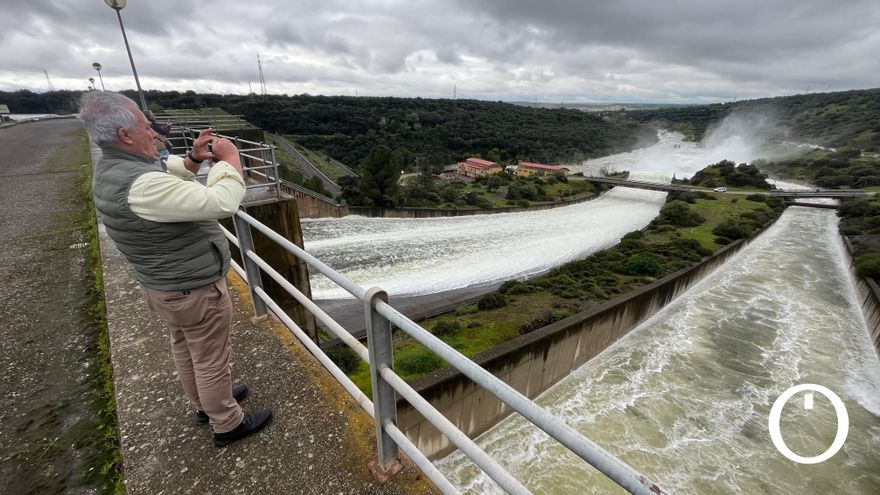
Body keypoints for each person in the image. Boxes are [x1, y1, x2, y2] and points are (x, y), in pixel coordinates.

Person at [79, 91, 272, 447]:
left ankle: (206, 405)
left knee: (185, 347)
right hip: (192, 288)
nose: (154, 132)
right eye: (145, 125)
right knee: (212, 357)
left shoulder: (113, 169)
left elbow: (169, 175)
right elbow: (223, 202)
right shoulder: (140, 184)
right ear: (125, 135)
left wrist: (196, 158)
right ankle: (228, 423)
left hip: (165, 287)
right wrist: (229, 160)